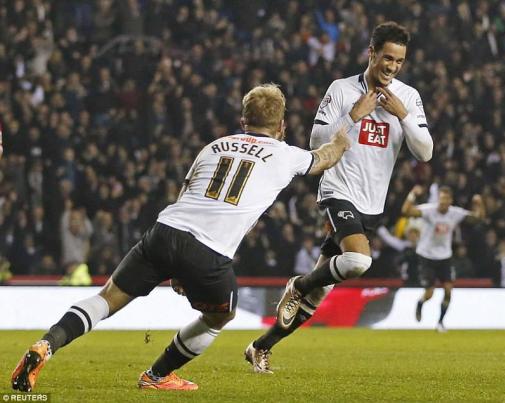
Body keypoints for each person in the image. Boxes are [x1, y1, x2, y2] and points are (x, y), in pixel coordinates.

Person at [10, 84, 350, 392]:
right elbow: (324, 158)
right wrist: (343, 134)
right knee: (221, 316)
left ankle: (46, 344)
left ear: (243, 120)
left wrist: (175, 265)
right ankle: (157, 376)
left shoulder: (214, 146)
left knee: (107, 298)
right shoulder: (285, 153)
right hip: (208, 250)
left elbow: (187, 192)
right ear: (281, 127)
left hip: (165, 230)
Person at [245, 21, 433, 373]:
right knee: (359, 262)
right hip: (337, 190)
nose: (392, 67)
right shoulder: (342, 90)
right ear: (372, 53)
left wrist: (403, 115)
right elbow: (317, 141)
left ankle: (261, 347)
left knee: (320, 293)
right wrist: (353, 115)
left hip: (372, 203)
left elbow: (425, 152)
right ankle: (297, 284)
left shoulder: (407, 97)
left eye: (399, 61)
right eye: (387, 58)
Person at [402, 185, 485, 332]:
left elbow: (478, 218)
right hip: (426, 256)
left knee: (448, 291)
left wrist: (479, 204)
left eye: (446, 199)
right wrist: (412, 194)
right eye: (441, 199)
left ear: (450, 200)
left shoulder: (455, 213)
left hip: (445, 257)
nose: (443, 202)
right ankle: (421, 303)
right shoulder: (428, 211)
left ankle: (440, 323)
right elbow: (406, 211)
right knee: (430, 293)